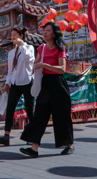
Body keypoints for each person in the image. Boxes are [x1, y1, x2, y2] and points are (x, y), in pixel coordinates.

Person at [20, 22, 74, 158]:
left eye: (48, 30)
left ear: (54, 34)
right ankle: (34, 147)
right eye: (44, 30)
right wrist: (34, 67)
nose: (44, 32)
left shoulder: (60, 48)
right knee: (39, 115)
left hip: (58, 84)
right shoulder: (41, 48)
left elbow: (62, 68)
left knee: (62, 115)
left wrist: (45, 65)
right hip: (45, 84)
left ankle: (69, 145)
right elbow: (36, 64)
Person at [0, 27, 35, 146]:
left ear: (21, 36)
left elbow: (29, 59)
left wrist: (22, 45)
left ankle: (32, 136)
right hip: (15, 83)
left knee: (29, 110)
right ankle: (6, 136)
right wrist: (6, 84)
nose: (12, 38)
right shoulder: (11, 52)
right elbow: (10, 70)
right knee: (10, 109)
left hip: (27, 82)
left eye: (15, 35)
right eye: (11, 36)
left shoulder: (29, 48)